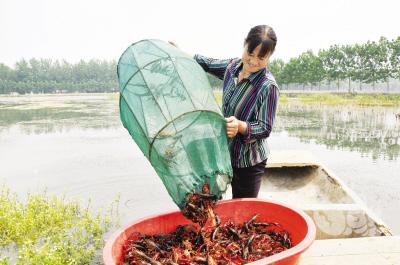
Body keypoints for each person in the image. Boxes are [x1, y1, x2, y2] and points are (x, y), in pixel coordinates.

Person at [174, 25, 279, 199]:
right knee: (208, 200)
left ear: (269, 56)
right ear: (244, 45)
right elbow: (205, 63)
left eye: (261, 57)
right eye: (250, 54)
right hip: (224, 153)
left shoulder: (268, 86)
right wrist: (178, 53)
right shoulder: (232, 67)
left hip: (249, 162)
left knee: (242, 209)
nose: (253, 61)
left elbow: (265, 127)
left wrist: (240, 126)